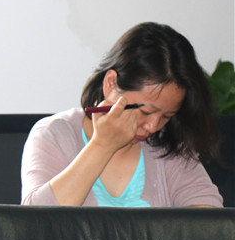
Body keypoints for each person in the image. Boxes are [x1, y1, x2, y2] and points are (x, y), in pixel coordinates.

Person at [21, 22, 223, 207]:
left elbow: (209, 220)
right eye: (145, 111)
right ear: (111, 83)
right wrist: (102, 145)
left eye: (166, 116)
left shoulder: (169, 146)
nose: (153, 126)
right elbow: (35, 221)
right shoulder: (54, 134)